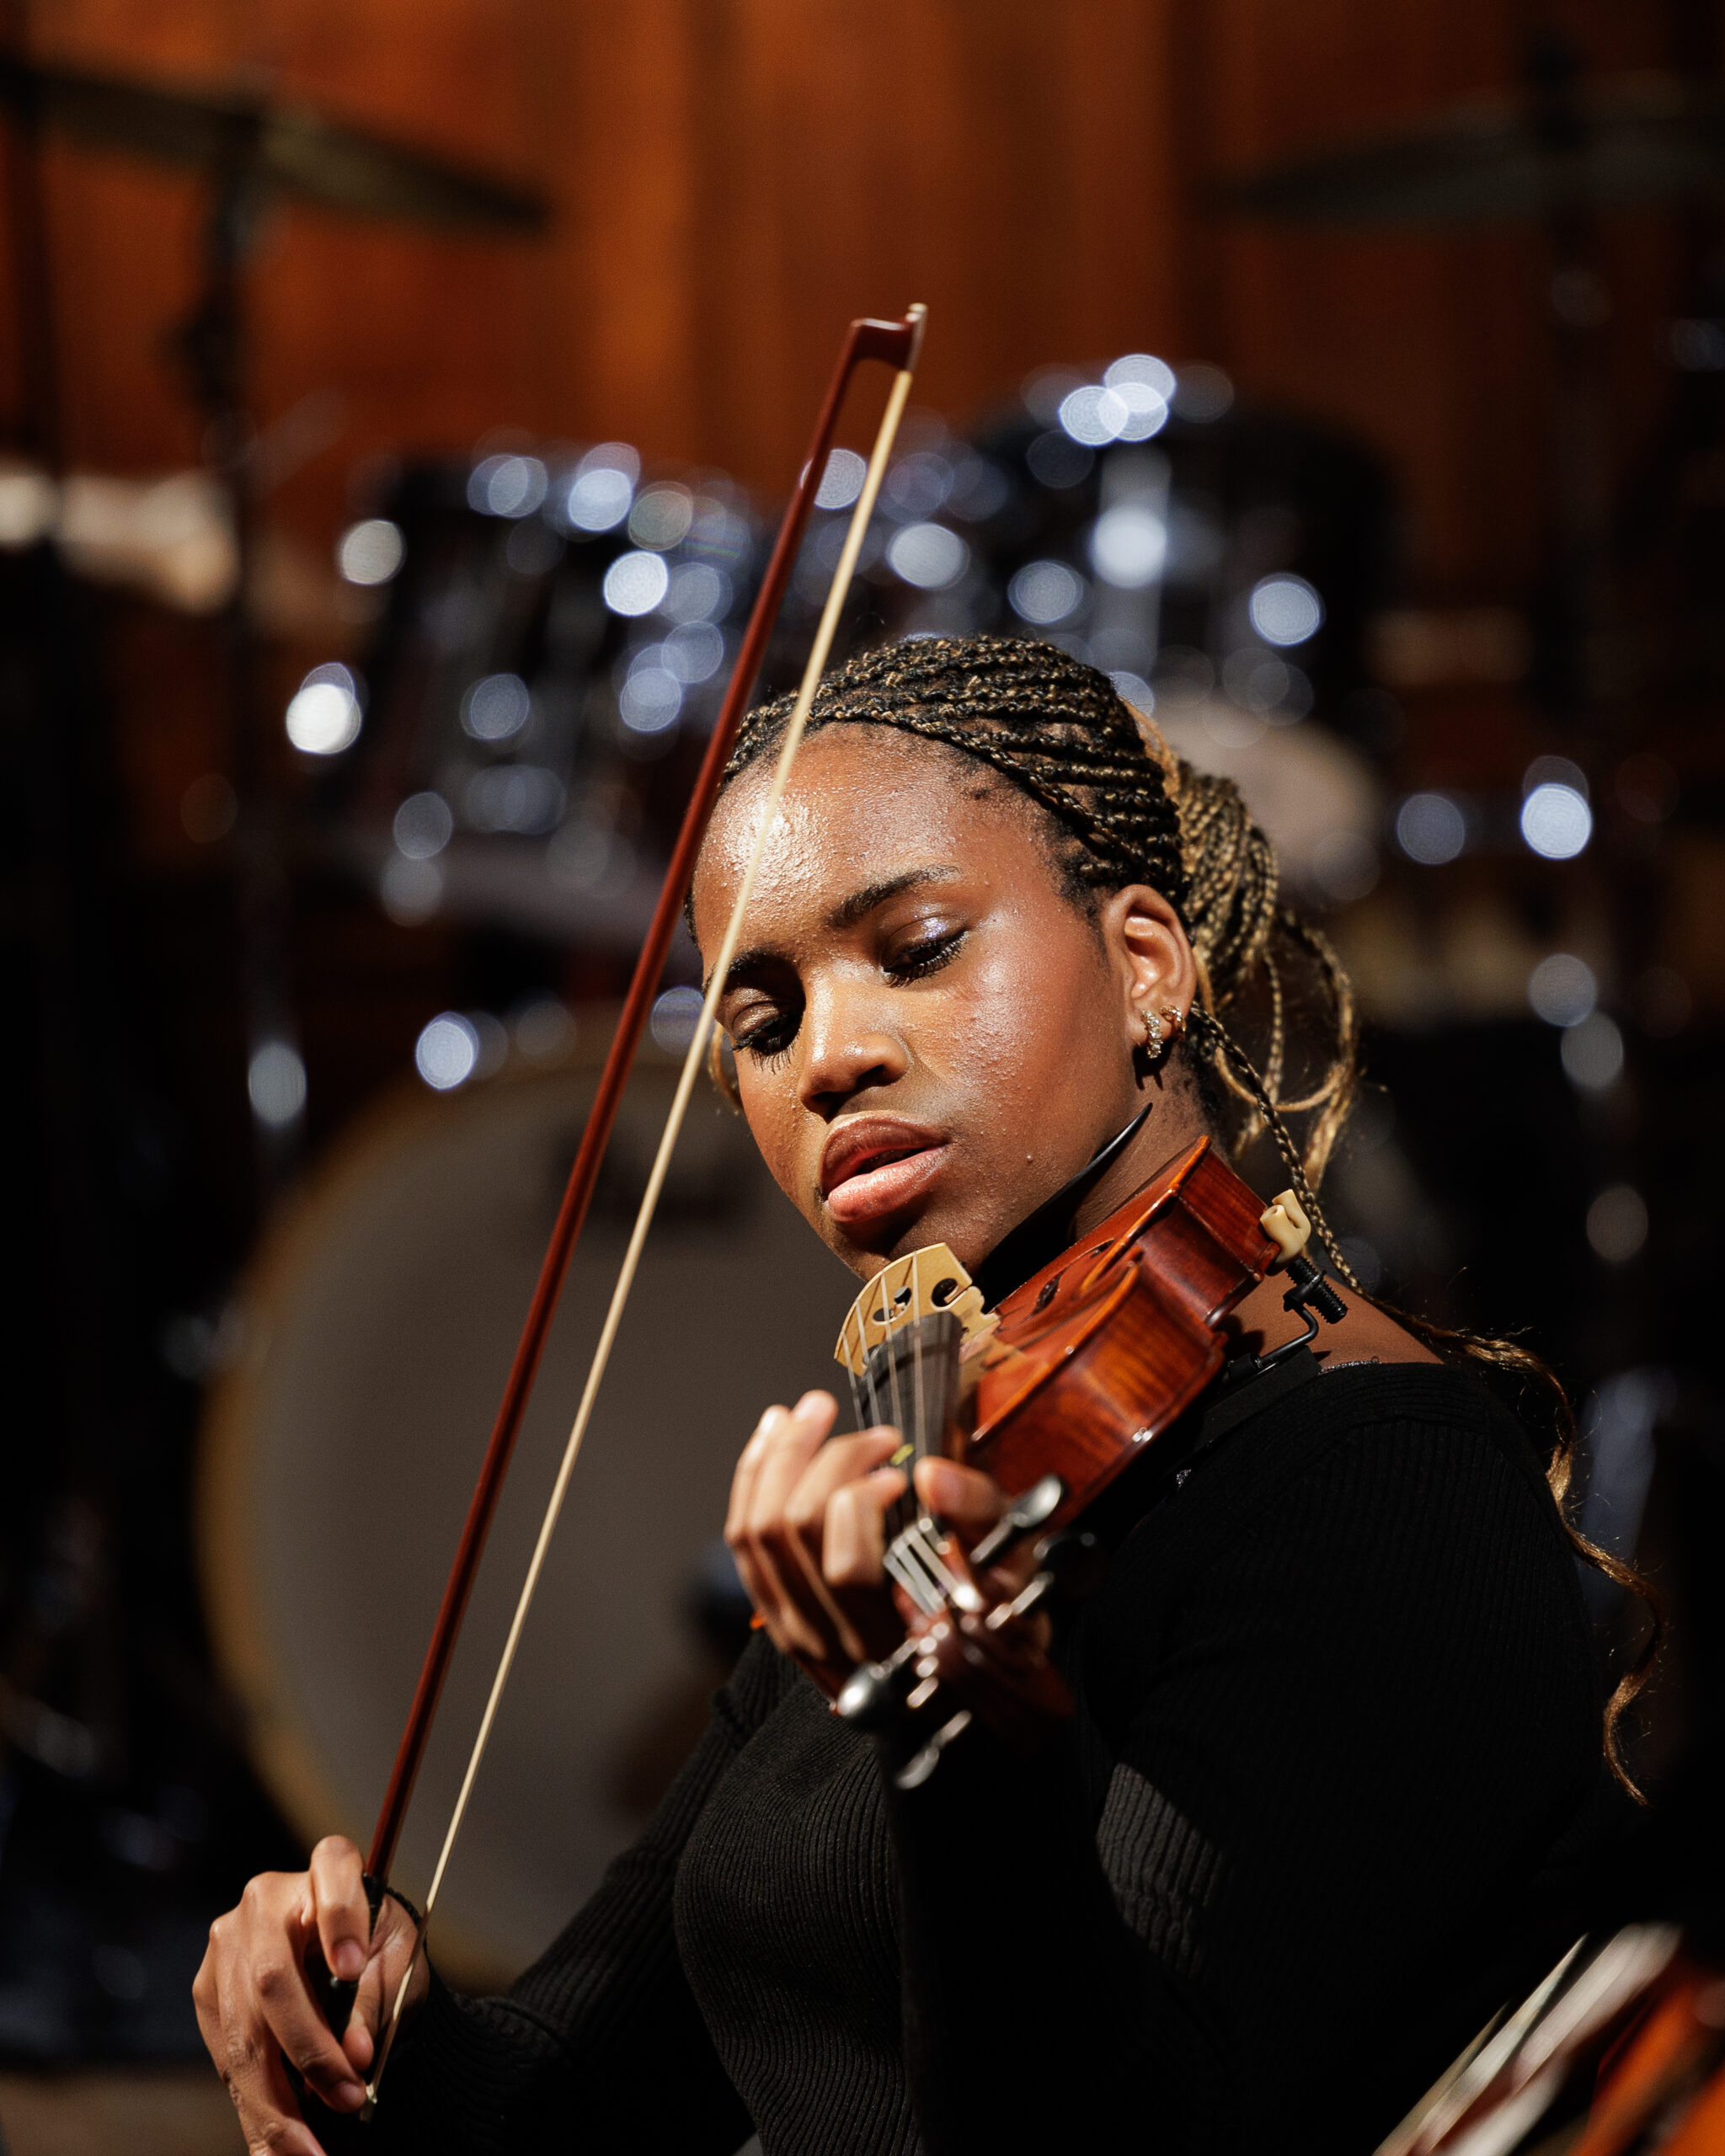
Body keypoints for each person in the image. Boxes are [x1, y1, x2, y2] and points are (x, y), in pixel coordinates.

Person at [195, 638, 1647, 2156]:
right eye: (761, 1024)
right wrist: (361, 2036)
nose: (827, 1060)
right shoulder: (955, 1481)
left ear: (1146, 963)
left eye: (919, 947)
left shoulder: (1385, 1480)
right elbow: (571, 2110)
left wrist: (961, 1727)